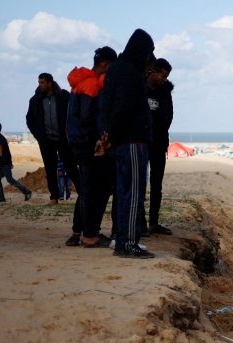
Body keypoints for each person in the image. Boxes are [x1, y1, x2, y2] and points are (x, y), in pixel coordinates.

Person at [101, 28, 156, 258]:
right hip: (132, 140)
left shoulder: (117, 69)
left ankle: (123, 239)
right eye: (149, 52)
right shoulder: (129, 72)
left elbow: (109, 106)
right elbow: (122, 108)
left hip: (123, 140)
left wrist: (108, 135)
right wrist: (112, 136)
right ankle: (128, 243)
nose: (149, 57)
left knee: (125, 192)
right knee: (133, 193)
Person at [67, 45, 118, 248]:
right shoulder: (91, 85)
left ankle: (79, 232)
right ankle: (89, 235)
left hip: (78, 143)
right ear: (104, 64)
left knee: (88, 189)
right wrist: (100, 140)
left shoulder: (80, 82)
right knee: (95, 190)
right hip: (89, 145)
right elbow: (88, 117)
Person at [26, 72, 78, 205]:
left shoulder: (64, 96)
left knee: (71, 166)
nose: (40, 85)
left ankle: (83, 193)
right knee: (50, 169)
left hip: (63, 139)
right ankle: (54, 197)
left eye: (42, 82)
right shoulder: (35, 100)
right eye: (39, 82)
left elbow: (75, 112)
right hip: (46, 141)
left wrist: (71, 132)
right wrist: (38, 135)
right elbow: (29, 119)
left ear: (50, 83)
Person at [145, 58, 174, 236]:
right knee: (139, 184)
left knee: (157, 185)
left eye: (166, 77)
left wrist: (161, 133)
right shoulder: (140, 88)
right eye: (162, 76)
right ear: (153, 72)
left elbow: (169, 115)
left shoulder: (164, 92)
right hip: (141, 143)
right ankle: (139, 223)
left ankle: (153, 222)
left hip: (159, 143)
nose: (164, 79)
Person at [0, 123, 31, 203]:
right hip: (1, 164)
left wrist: (9, 163)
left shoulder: (0, 138)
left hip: (5, 164)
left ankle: (27, 192)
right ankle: (1, 198)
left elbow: (6, 152)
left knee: (10, 180)